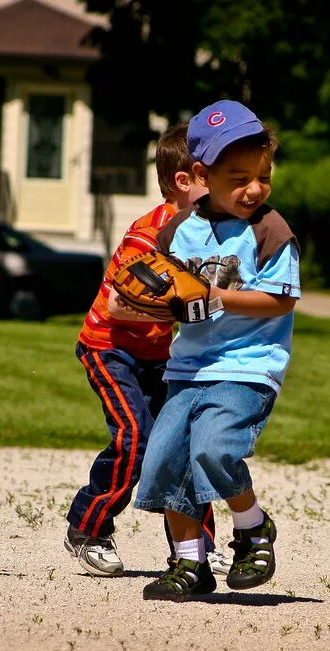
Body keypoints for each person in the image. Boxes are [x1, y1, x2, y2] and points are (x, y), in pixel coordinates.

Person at [133, 100, 301, 600]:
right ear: (202, 174)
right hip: (188, 366)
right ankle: (191, 564)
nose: (255, 188)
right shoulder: (176, 230)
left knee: (215, 448)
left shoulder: (270, 230)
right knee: (163, 458)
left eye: (263, 175)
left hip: (248, 367)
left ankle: (252, 528)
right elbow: (168, 294)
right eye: (239, 177)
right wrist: (153, 303)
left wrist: (218, 297)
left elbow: (281, 299)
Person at [64, 122, 230, 577]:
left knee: (183, 441)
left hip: (159, 357)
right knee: (135, 439)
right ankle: (88, 527)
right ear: (185, 181)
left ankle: (195, 546)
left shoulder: (210, 235)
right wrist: (186, 312)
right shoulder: (151, 234)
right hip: (110, 349)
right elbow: (120, 306)